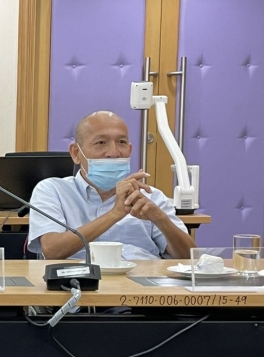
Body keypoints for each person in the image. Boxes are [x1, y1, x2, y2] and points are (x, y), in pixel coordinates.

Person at [28, 110, 196, 261]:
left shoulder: (151, 197)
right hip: (81, 279)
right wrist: (115, 213)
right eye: (101, 143)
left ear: (130, 150)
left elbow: (190, 259)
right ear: (76, 153)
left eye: (121, 142)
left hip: (142, 279)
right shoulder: (53, 190)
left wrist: (160, 219)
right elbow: (52, 251)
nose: (114, 153)